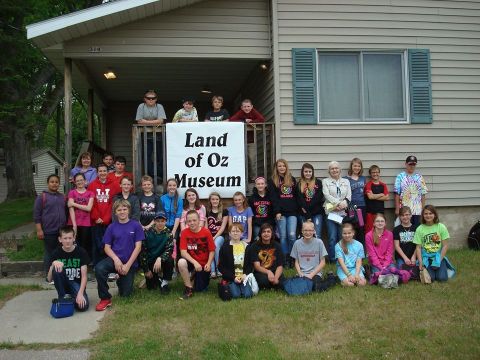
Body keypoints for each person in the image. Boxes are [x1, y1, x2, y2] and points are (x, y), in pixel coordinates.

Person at [95, 200, 144, 311]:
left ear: (129, 211)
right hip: (114, 260)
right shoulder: (111, 227)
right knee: (99, 268)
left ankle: (121, 279)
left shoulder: (136, 226)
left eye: (124, 209)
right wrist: (116, 259)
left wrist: (127, 266)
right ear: (115, 212)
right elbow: (106, 247)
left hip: (129, 262)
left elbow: (138, 247)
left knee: (125, 294)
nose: (122, 212)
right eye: (119, 210)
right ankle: (105, 298)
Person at [47, 225, 89, 312]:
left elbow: (84, 276)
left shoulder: (81, 252)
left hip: (76, 284)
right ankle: (63, 298)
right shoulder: (56, 253)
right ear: (60, 239)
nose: (67, 241)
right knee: (57, 269)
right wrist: (53, 264)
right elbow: (49, 279)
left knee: (83, 307)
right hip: (63, 285)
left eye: (70, 238)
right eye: (65, 238)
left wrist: (80, 294)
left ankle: (70, 299)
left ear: (74, 238)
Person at [34, 174, 67, 279]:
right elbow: (37, 215)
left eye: (56, 182)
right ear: (48, 183)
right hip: (49, 230)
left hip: (62, 231)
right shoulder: (42, 197)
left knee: (61, 252)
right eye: (52, 182)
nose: (54, 184)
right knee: (50, 253)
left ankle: (59, 274)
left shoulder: (62, 197)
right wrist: (39, 230)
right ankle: (49, 276)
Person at [87, 163, 121, 266]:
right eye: (100, 171)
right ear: (97, 173)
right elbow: (91, 203)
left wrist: (106, 218)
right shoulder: (92, 185)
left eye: (104, 171)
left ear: (108, 172)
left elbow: (114, 203)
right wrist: (96, 217)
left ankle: (108, 266)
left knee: (109, 244)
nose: (102, 173)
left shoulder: (114, 184)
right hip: (95, 220)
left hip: (109, 221)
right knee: (96, 244)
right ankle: (96, 266)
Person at [178, 210, 215, 300]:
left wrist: (209, 264)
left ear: (199, 220)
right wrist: (194, 262)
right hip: (191, 261)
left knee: (200, 289)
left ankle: (194, 277)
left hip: (203, 264)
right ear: (186, 222)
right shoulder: (184, 233)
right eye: (189, 221)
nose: (192, 223)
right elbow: (183, 252)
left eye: (194, 220)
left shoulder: (206, 232)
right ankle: (188, 288)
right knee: (181, 262)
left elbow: (212, 250)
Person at [268, 159, 298, 263]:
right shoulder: (272, 181)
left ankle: (293, 257)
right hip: (280, 213)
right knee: (283, 236)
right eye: (279, 166)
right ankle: (285, 258)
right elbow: (273, 198)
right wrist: (277, 211)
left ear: (286, 167)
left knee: (292, 235)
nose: (281, 168)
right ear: (276, 168)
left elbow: (296, 196)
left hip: (292, 212)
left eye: (283, 166)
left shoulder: (292, 179)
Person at [322, 161, 351, 262]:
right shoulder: (325, 181)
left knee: (342, 236)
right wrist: (337, 204)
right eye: (332, 168)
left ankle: (342, 259)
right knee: (332, 237)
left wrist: (342, 205)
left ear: (340, 170)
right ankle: (333, 259)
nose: (334, 170)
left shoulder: (346, 181)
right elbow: (327, 195)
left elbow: (348, 196)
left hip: (342, 212)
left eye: (336, 168)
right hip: (330, 211)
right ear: (329, 171)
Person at [230, 99, 265, 180]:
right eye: (245, 106)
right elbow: (232, 120)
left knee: (252, 160)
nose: (247, 108)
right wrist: (244, 121)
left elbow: (262, 119)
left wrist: (252, 121)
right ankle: (242, 178)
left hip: (251, 140)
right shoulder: (240, 113)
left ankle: (253, 178)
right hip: (241, 141)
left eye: (248, 106)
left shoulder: (253, 111)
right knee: (241, 160)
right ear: (242, 107)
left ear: (252, 106)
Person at [139, 211, 174, 294]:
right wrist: (146, 270)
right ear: (154, 221)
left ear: (165, 221)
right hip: (150, 260)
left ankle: (164, 283)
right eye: (158, 221)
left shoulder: (168, 233)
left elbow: (169, 250)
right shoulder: (147, 233)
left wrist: (160, 258)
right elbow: (143, 251)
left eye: (162, 221)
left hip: (162, 260)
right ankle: (157, 278)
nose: (160, 223)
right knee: (151, 287)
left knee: (170, 260)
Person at [414, 205, 450, 282]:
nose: (428, 215)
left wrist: (439, 260)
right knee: (431, 278)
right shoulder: (419, 229)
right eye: (426, 213)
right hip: (426, 257)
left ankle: (443, 265)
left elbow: (445, 245)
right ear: (423, 215)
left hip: (438, 256)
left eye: (430, 213)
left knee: (442, 278)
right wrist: (420, 263)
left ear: (435, 215)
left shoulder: (441, 227)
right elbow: (418, 248)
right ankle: (430, 267)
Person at [135, 90, 167, 180]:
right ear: (144, 99)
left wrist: (146, 122)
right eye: (148, 98)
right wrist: (154, 122)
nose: (151, 100)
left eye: (153, 98)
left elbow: (161, 121)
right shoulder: (141, 106)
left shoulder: (159, 106)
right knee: (146, 156)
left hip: (159, 136)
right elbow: (139, 121)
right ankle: (152, 174)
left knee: (160, 156)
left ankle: (159, 174)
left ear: (156, 99)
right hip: (146, 136)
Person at [218, 223, 253, 299]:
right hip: (231, 277)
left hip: (243, 277)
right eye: (233, 231)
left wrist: (245, 275)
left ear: (242, 233)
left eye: (238, 231)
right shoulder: (225, 247)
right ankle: (230, 285)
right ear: (229, 233)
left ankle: (243, 286)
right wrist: (233, 277)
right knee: (235, 295)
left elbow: (251, 265)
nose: (235, 233)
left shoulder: (247, 247)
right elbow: (221, 267)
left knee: (248, 295)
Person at [394, 155, 428, 226]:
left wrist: (423, 209)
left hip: (417, 210)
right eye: (410, 164)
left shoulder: (419, 177)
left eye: (414, 164)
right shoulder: (400, 176)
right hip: (404, 210)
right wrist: (397, 209)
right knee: (405, 231)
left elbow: (423, 194)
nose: (412, 166)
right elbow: (397, 193)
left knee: (417, 230)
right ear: (406, 164)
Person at [249, 223, 285, 290]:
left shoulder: (277, 246)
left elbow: (280, 265)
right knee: (264, 281)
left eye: (268, 231)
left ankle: (273, 284)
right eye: (264, 232)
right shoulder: (254, 246)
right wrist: (268, 272)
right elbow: (257, 267)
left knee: (282, 283)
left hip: (275, 271)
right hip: (261, 272)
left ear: (272, 234)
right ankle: (271, 286)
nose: (266, 234)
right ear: (260, 234)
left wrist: (276, 277)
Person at [67, 173, 94, 261]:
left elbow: (89, 208)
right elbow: (70, 208)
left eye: (81, 180)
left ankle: (83, 263)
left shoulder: (90, 193)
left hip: (86, 223)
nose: (79, 182)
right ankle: (74, 262)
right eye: (77, 180)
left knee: (84, 245)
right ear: (75, 182)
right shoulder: (72, 192)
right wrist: (74, 225)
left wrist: (74, 203)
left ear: (85, 181)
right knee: (72, 244)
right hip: (73, 223)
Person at [297, 163, 325, 240]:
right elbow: (300, 200)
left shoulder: (318, 182)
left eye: (310, 171)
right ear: (302, 172)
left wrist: (309, 212)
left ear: (312, 172)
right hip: (303, 214)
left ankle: (317, 252)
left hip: (317, 213)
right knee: (305, 236)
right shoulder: (299, 184)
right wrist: (307, 215)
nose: (308, 173)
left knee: (317, 235)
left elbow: (318, 198)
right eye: (306, 171)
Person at [206, 192, 228, 278]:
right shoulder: (208, 212)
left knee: (215, 244)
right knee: (209, 245)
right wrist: (209, 237)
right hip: (209, 235)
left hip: (220, 236)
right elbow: (206, 227)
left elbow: (222, 228)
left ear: (219, 201)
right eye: (213, 199)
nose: (215, 201)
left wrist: (214, 237)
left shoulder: (224, 211)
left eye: (216, 199)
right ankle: (212, 271)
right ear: (210, 201)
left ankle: (219, 269)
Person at [344, 158, 366, 243]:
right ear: (351, 166)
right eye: (355, 166)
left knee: (361, 226)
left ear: (361, 167)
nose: (357, 168)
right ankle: (350, 247)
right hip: (351, 207)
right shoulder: (346, 179)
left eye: (358, 166)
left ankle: (361, 249)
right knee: (351, 227)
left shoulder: (363, 178)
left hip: (361, 207)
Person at [364, 165, 389, 233]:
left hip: (380, 213)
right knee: (369, 231)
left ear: (379, 173)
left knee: (380, 231)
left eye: (377, 172)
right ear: (370, 174)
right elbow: (370, 197)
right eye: (373, 172)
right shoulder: (368, 185)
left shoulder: (383, 185)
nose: (375, 174)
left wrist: (374, 196)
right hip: (370, 213)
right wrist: (381, 194)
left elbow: (387, 197)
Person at [249, 176, 274, 241]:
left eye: (262, 184)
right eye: (258, 184)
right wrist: (255, 221)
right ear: (255, 185)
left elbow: (273, 210)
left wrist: (271, 222)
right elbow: (250, 212)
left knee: (269, 240)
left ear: (265, 185)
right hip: (257, 224)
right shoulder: (252, 198)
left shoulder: (270, 196)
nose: (260, 185)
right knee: (257, 239)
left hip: (268, 223)